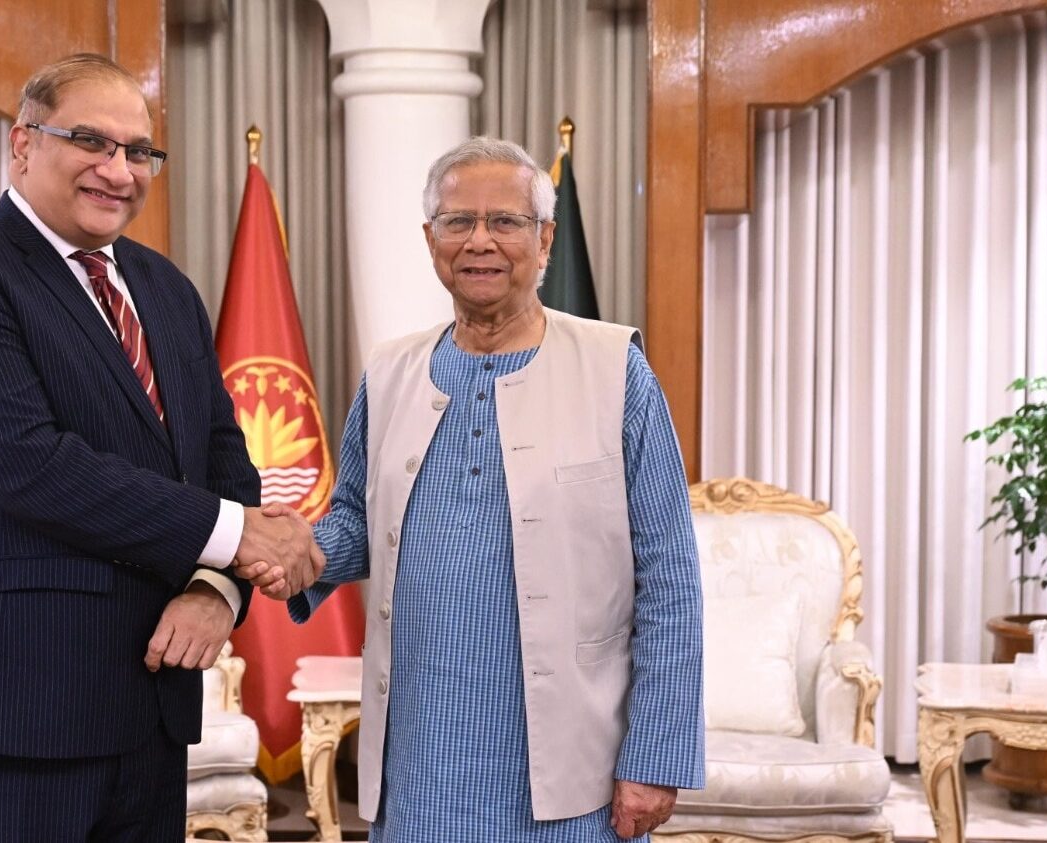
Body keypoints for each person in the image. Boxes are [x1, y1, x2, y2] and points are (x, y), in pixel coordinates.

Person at [0, 53, 319, 841]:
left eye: (138, 151)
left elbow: (222, 458)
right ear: (23, 144)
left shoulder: (165, 288)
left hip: (149, 699)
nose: (119, 170)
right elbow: (32, 466)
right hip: (11, 707)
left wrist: (217, 588)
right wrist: (243, 536)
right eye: (91, 142)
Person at [241, 136, 705, 841]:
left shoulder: (616, 372)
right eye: (458, 221)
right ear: (431, 240)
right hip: (419, 770)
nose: (479, 240)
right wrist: (300, 552)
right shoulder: (389, 373)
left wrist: (656, 755)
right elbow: (357, 520)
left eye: (506, 221)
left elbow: (669, 577)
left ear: (544, 239)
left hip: (573, 776)